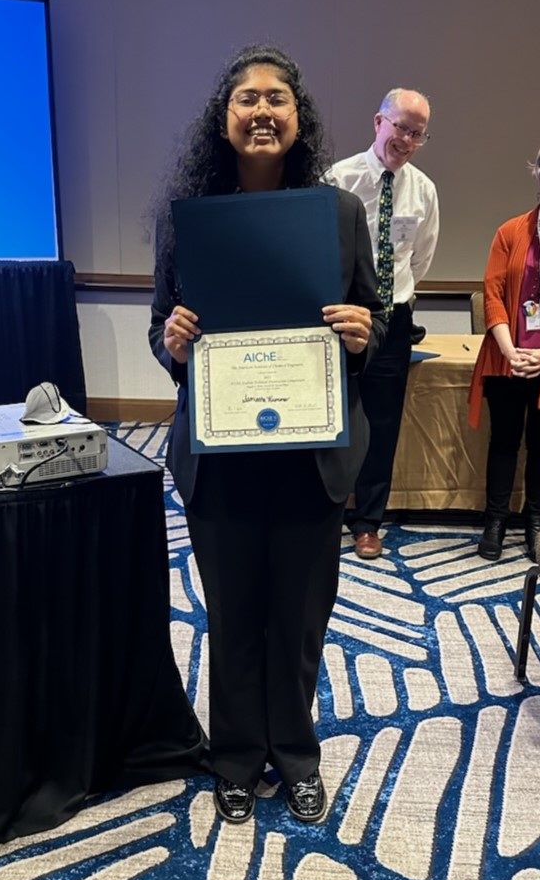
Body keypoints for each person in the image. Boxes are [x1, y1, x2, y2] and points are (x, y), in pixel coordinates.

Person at [148, 45, 386, 824]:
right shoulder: (187, 222)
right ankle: (237, 758)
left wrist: (362, 331)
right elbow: (162, 330)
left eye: (277, 97)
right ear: (223, 119)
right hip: (221, 456)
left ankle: (297, 753)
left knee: (300, 617)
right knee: (236, 612)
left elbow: (374, 320)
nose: (262, 109)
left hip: (310, 456)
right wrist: (173, 343)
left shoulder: (339, 214)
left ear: (297, 118)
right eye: (246, 97)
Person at [325, 89, 439, 558]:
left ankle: (368, 521)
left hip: (392, 318)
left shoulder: (424, 189)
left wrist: (392, 301)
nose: (407, 139)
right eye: (401, 127)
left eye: (418, 133)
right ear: (379, 122)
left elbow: (423, 258)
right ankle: (329, 510)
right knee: (335, 416)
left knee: (382, 423)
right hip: (341, 318)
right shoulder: (339, 178)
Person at [468, 137, 540, 562]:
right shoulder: (510, 231)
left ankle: (536, 523)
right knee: (504, 441)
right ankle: (495, 521)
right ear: (538, 174)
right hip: (506, 357)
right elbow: (492, 293)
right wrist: (510, 350)